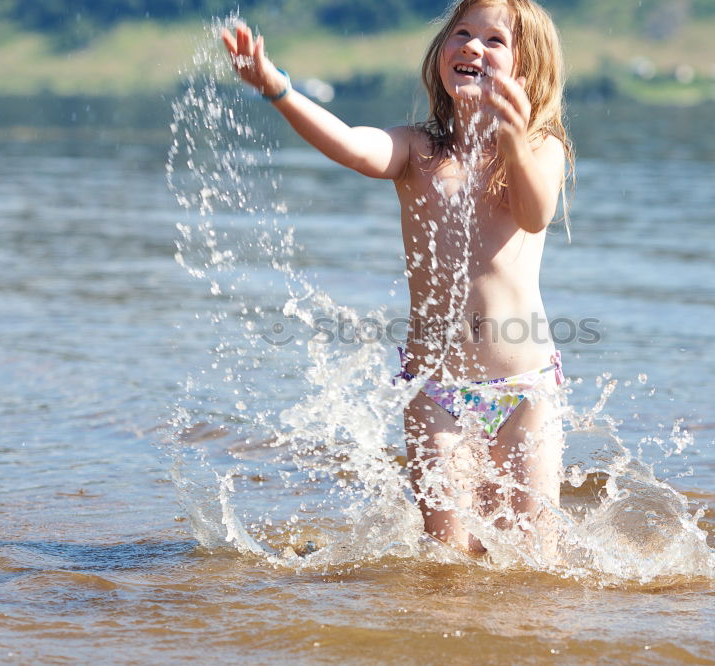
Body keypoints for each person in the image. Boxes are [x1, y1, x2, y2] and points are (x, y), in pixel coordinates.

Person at [222, 0, 573, 556]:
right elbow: (352, 146)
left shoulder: (537, 150)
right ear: (441, 54)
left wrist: (510, 133)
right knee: (448, 559)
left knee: (535, 556)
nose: (472, 47)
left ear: (528, 71)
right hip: (436, 391)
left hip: (524, 389)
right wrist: (276, 88)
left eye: (494, 40)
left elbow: (534, 213)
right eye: (461, 33)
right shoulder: (419, 150)